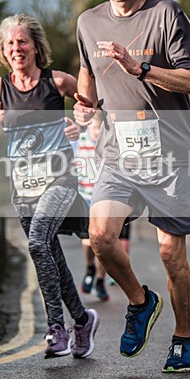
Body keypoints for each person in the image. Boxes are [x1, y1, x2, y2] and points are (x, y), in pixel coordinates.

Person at [73, 0, 190, 372]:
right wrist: (84, 104)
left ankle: (183, 339)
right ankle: (140, 300)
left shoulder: (166, 14)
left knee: (171, 254)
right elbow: (87, 72)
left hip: (171, 156)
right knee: (101, 237)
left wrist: (141, 68)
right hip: (119, 154)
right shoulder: (88, 23)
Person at [0, 13, 99, 359]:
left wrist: (80, 125)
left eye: (22, 41)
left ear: (35, 46)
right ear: (4, 49)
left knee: (36, 242)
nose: (17, 48)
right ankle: (82, 320)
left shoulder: (58, 82)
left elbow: (91, 110)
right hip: (23, 188)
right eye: (10, 43)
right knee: (50, 253)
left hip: (60, 179)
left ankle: (55, 328)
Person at [74, 114, 132, 301]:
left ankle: (100, 279)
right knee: (88, 242)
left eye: (100, 129)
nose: (97, 132)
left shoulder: (111, 144)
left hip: (106, 200)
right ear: (88, 127)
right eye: (94, 128)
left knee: (104, 242)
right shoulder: (79, 140)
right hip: (85, 197)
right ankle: (89, 267)